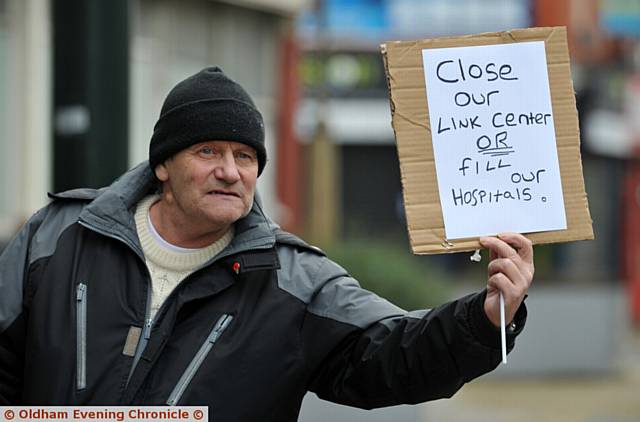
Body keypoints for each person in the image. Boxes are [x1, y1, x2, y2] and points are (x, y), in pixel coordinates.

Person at [0, 67, 533, 420]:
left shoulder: (295, 280)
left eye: (246, 156)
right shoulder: (57, 235)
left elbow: (393, 355)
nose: (230, 171)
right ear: (162, 164)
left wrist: (486, 319)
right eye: (208, 151)